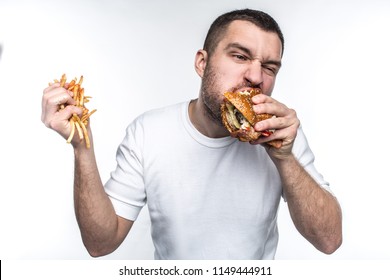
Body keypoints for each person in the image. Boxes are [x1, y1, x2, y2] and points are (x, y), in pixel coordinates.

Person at [41, 8, 342, 259]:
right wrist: (82, 147)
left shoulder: (280, 133)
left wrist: (285, 158)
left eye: (270, 67)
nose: (255, 76)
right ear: (202, 62)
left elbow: (329, 241)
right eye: (239, 56)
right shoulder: (149, 132)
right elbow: (100, 243)